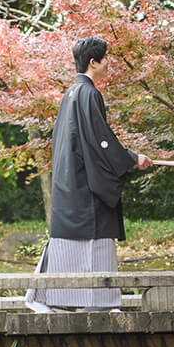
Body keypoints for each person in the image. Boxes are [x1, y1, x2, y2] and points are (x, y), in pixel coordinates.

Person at [26, 37, 152, 312]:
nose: (109, 63)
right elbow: (101, 141)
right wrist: (132, 158)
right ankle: (92, 303)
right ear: (93, 62)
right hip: (85, 185)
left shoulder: (71, 94)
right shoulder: (89, 94)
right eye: (105, 58)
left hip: (69, 181)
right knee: (91, 238)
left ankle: (53, 298)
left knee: (68, 242)